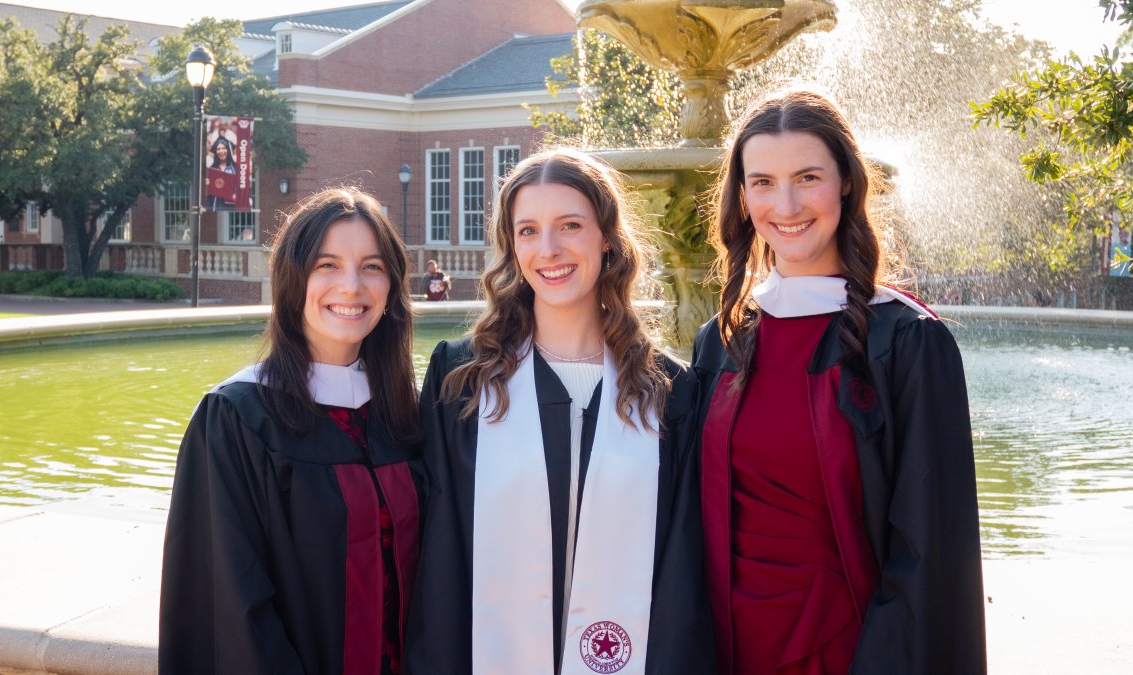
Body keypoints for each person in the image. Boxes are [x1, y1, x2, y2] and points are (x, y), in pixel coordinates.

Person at [690, 89, 986, 675]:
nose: (787, 203)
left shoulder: (904, 342)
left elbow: (930, 549)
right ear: (742, 196)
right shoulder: (721, 342)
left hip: (854, 650)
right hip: (727, 645)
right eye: (764, 183)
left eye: (807, 177)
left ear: (846, 182)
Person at [406, 148, 714, 675]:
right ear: (511, 246)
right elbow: (440, 556)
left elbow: (681, 570)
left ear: (607, 237)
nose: (547, 250)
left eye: (569, 225)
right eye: (527, 231)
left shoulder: (667, 391)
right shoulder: (464, 380)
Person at [159, 187, 423, 675]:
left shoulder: (405, 415)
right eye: (326, 265)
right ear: (292, 279)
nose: (351, 286)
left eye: (372, 266)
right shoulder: (238, 418)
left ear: (391, 286)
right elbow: (231, 603)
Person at [205, 137, 238, 211]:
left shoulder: (236, 168)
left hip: (231, 204)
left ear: (228, 150)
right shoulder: (212, 169)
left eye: (224, 148)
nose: (221, 151)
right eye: (218, 149)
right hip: (216, 204)